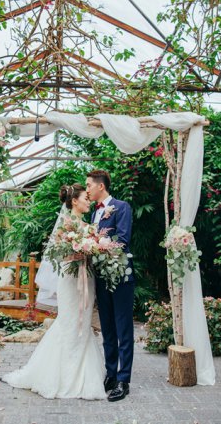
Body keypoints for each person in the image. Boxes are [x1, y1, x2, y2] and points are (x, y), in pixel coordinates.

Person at [2, 184, 107, 400]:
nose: (89, 201)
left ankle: (82, 373)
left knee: (83, 323)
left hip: (87, 279)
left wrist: (91, 249)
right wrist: (77, 251)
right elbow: (57, 256)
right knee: (69, 322)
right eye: (85, 198)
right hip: (70, 281)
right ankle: (61, 376)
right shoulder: (65, 226)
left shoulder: (88, 227)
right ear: (74, 201)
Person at [86, 170, 134, 402]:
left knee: (123, 329)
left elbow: (123, 241)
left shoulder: (121, 207)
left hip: (120, 277)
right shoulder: (93, 214)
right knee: (107, 328)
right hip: (101, 278)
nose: (87, 189)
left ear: (101, 186)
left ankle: (124, 380)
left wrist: (98, 246)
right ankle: (111, 374)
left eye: (89, 185)